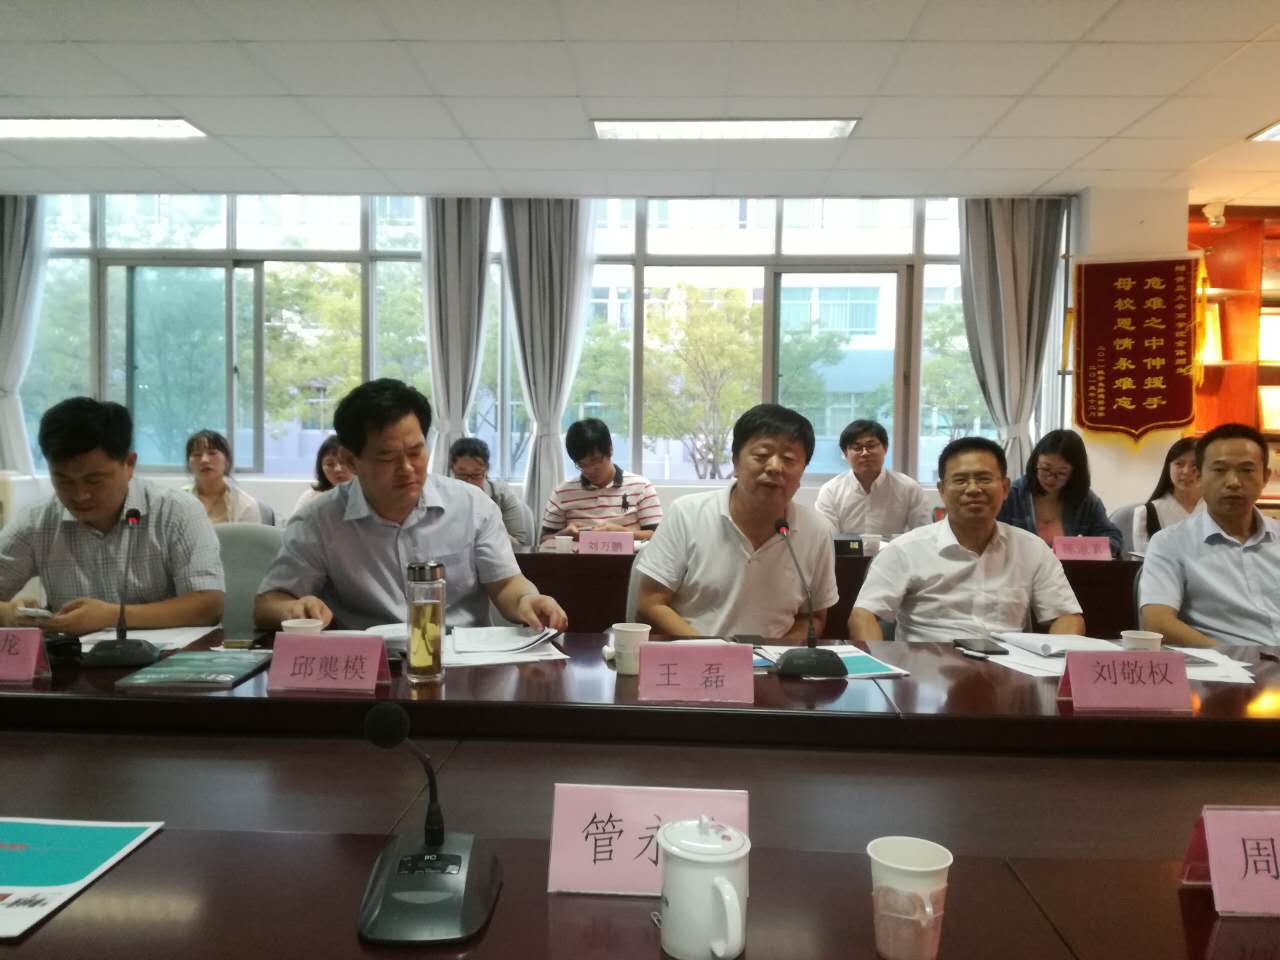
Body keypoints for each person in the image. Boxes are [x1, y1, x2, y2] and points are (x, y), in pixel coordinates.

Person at [254, 378, 567, 632]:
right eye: (387, 457)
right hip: (370, 667)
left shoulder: (473, 507)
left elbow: (506, 583)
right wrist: (293, 608)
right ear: (351, 460)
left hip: (458, 661)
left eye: (416, 452)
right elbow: (268, 603)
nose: (407, 468)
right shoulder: (319, 520)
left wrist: (527, 599)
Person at [0, 398, 224, 635]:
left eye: (94, 480)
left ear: (129, 464)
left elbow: (209, 605)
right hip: (73, 657)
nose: (80, 495)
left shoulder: (176, 511)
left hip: (166, 656)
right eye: (64, 481)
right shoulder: (36, 522)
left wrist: (114, 616)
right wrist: (10, 614)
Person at [850, 436, 1084, 644]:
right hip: (929, 670)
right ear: (942, 489)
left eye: (984, 479)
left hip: (1009, 669)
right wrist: (880, 664)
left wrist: (1056, 661)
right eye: (960, 480)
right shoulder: (905, 549)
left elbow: (1067, 617)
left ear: (1004, 488)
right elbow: (863, 615)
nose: (973, 489)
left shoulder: (1032, 548)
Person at [635, 404, 838, 640]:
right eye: (761, 455)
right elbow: (650, 601)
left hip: (774, 659)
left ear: (802, 471)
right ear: (735, 462)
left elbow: (813, 616)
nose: (775, 467)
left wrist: (778, 653)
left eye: (789, 459)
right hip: (695, 654)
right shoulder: (687, 514)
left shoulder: (816, 530)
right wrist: (711, 651)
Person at [1140, 423, 1280, 647]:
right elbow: (1157, 622)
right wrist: (1231, 655)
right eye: (1219, 470)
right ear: (1199, 476)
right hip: (1229, 664)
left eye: (1246, 470)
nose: (1233, 482)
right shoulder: (1170, 543)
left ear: (1265, 477)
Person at [997, 429, 1123, 558]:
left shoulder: (1086, 501)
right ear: (1035, 464)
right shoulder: (1012, 496)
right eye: (1045, 469)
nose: (1051, 479)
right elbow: (991, 537)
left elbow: (1114, 539)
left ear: (1074, 473)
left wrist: (1082, 548)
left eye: (1061, 473)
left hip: (1069, 570)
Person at [540, 418, 662, 543]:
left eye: (595, 461)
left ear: (610, 449)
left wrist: (623, 533)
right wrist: (564, 535)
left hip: (628, 556)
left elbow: (659, 537)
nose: (590, 470)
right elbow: (543, 541)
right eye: (582, 464)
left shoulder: (641, 487)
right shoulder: (562, 493)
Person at [814, 419, 932, 536]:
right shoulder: (831, 491)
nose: (865, 453)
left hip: (893, 549)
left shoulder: (908, 488)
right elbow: (826, 536)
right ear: (845, 453)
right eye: (857, 448)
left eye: (870, 446)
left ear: (885, 448)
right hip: (847, 549)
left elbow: (924, 533)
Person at [449, 437, 532, 549]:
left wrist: (486, 529)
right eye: (462, 475)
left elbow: (520, 545)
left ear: (486, 470)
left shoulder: (501, 496)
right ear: (452, 470)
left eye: (476, 475)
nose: (469, 482)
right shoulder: (443, 497)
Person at [1131, 436, 1201, 554]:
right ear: (1168, 467)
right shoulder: (1147, 513)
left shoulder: (1219, 510)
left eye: (1195, 465)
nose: (1186, 471)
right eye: (1179, 464)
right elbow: (1143, 560)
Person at [183, 429, 266, 524]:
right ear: (189, 463)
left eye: (212, 453)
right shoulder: (177, 502)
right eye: (197, 455)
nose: (204, 460)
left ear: (227, 461)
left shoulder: (246, 505)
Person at [292, 434, 353, 513]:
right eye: (330, 464)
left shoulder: (366, 496)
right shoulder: (310, 498)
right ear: (321, 468)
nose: (338, 469)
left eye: (342, 462)